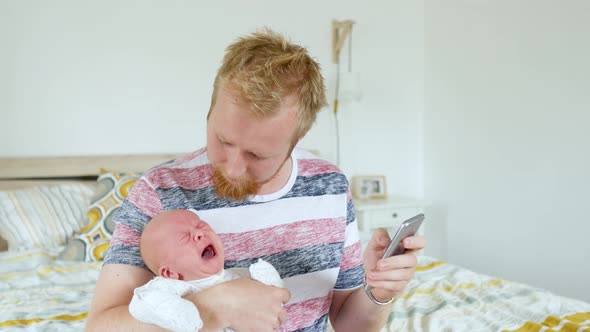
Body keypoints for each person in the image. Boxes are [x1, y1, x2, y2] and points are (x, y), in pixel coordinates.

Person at [86, 28, 427, 332]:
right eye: (223, 140)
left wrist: (378, 293)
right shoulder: (158, 192)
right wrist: (214, 308)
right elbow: (100, 327)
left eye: (257, 156)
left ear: (300, 135)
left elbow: (350, 324)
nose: (232, 169)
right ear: (211, 108)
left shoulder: (331, 187)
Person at [129, 209, 283, 332]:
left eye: (201, 226)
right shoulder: (171, 286)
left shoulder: (236, 275)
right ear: (170, 273)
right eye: (185, 237)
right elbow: (140, 304)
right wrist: (179, 312)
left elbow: (273, 299)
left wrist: (268, 281)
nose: (199, 233)